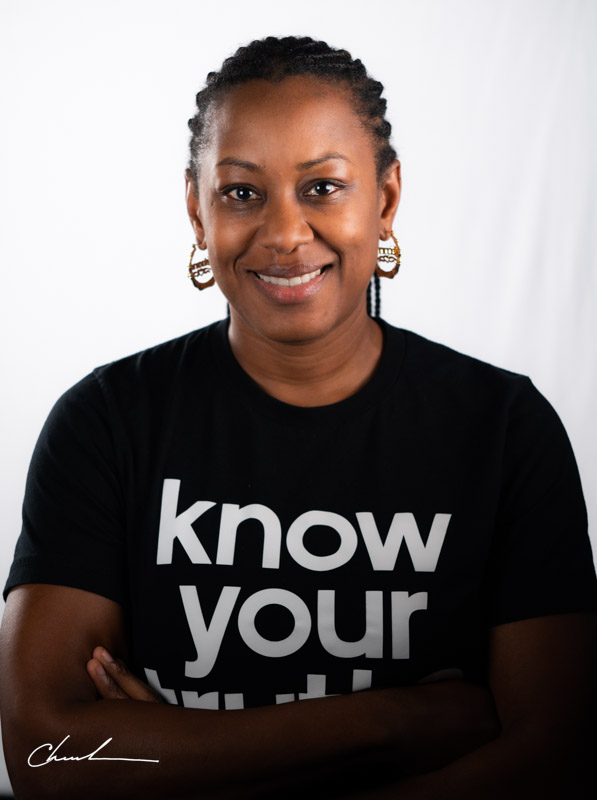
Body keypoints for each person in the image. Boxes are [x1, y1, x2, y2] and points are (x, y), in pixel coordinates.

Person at [1, 35, 596, 800]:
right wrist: (394, 721)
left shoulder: (504, 428)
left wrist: (181, 755)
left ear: (384, 200)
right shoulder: (106, 423)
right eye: (241, 193)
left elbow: (555, 760)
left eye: (321, 187)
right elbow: (47, 758)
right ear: (196, 209)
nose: (284, 235)